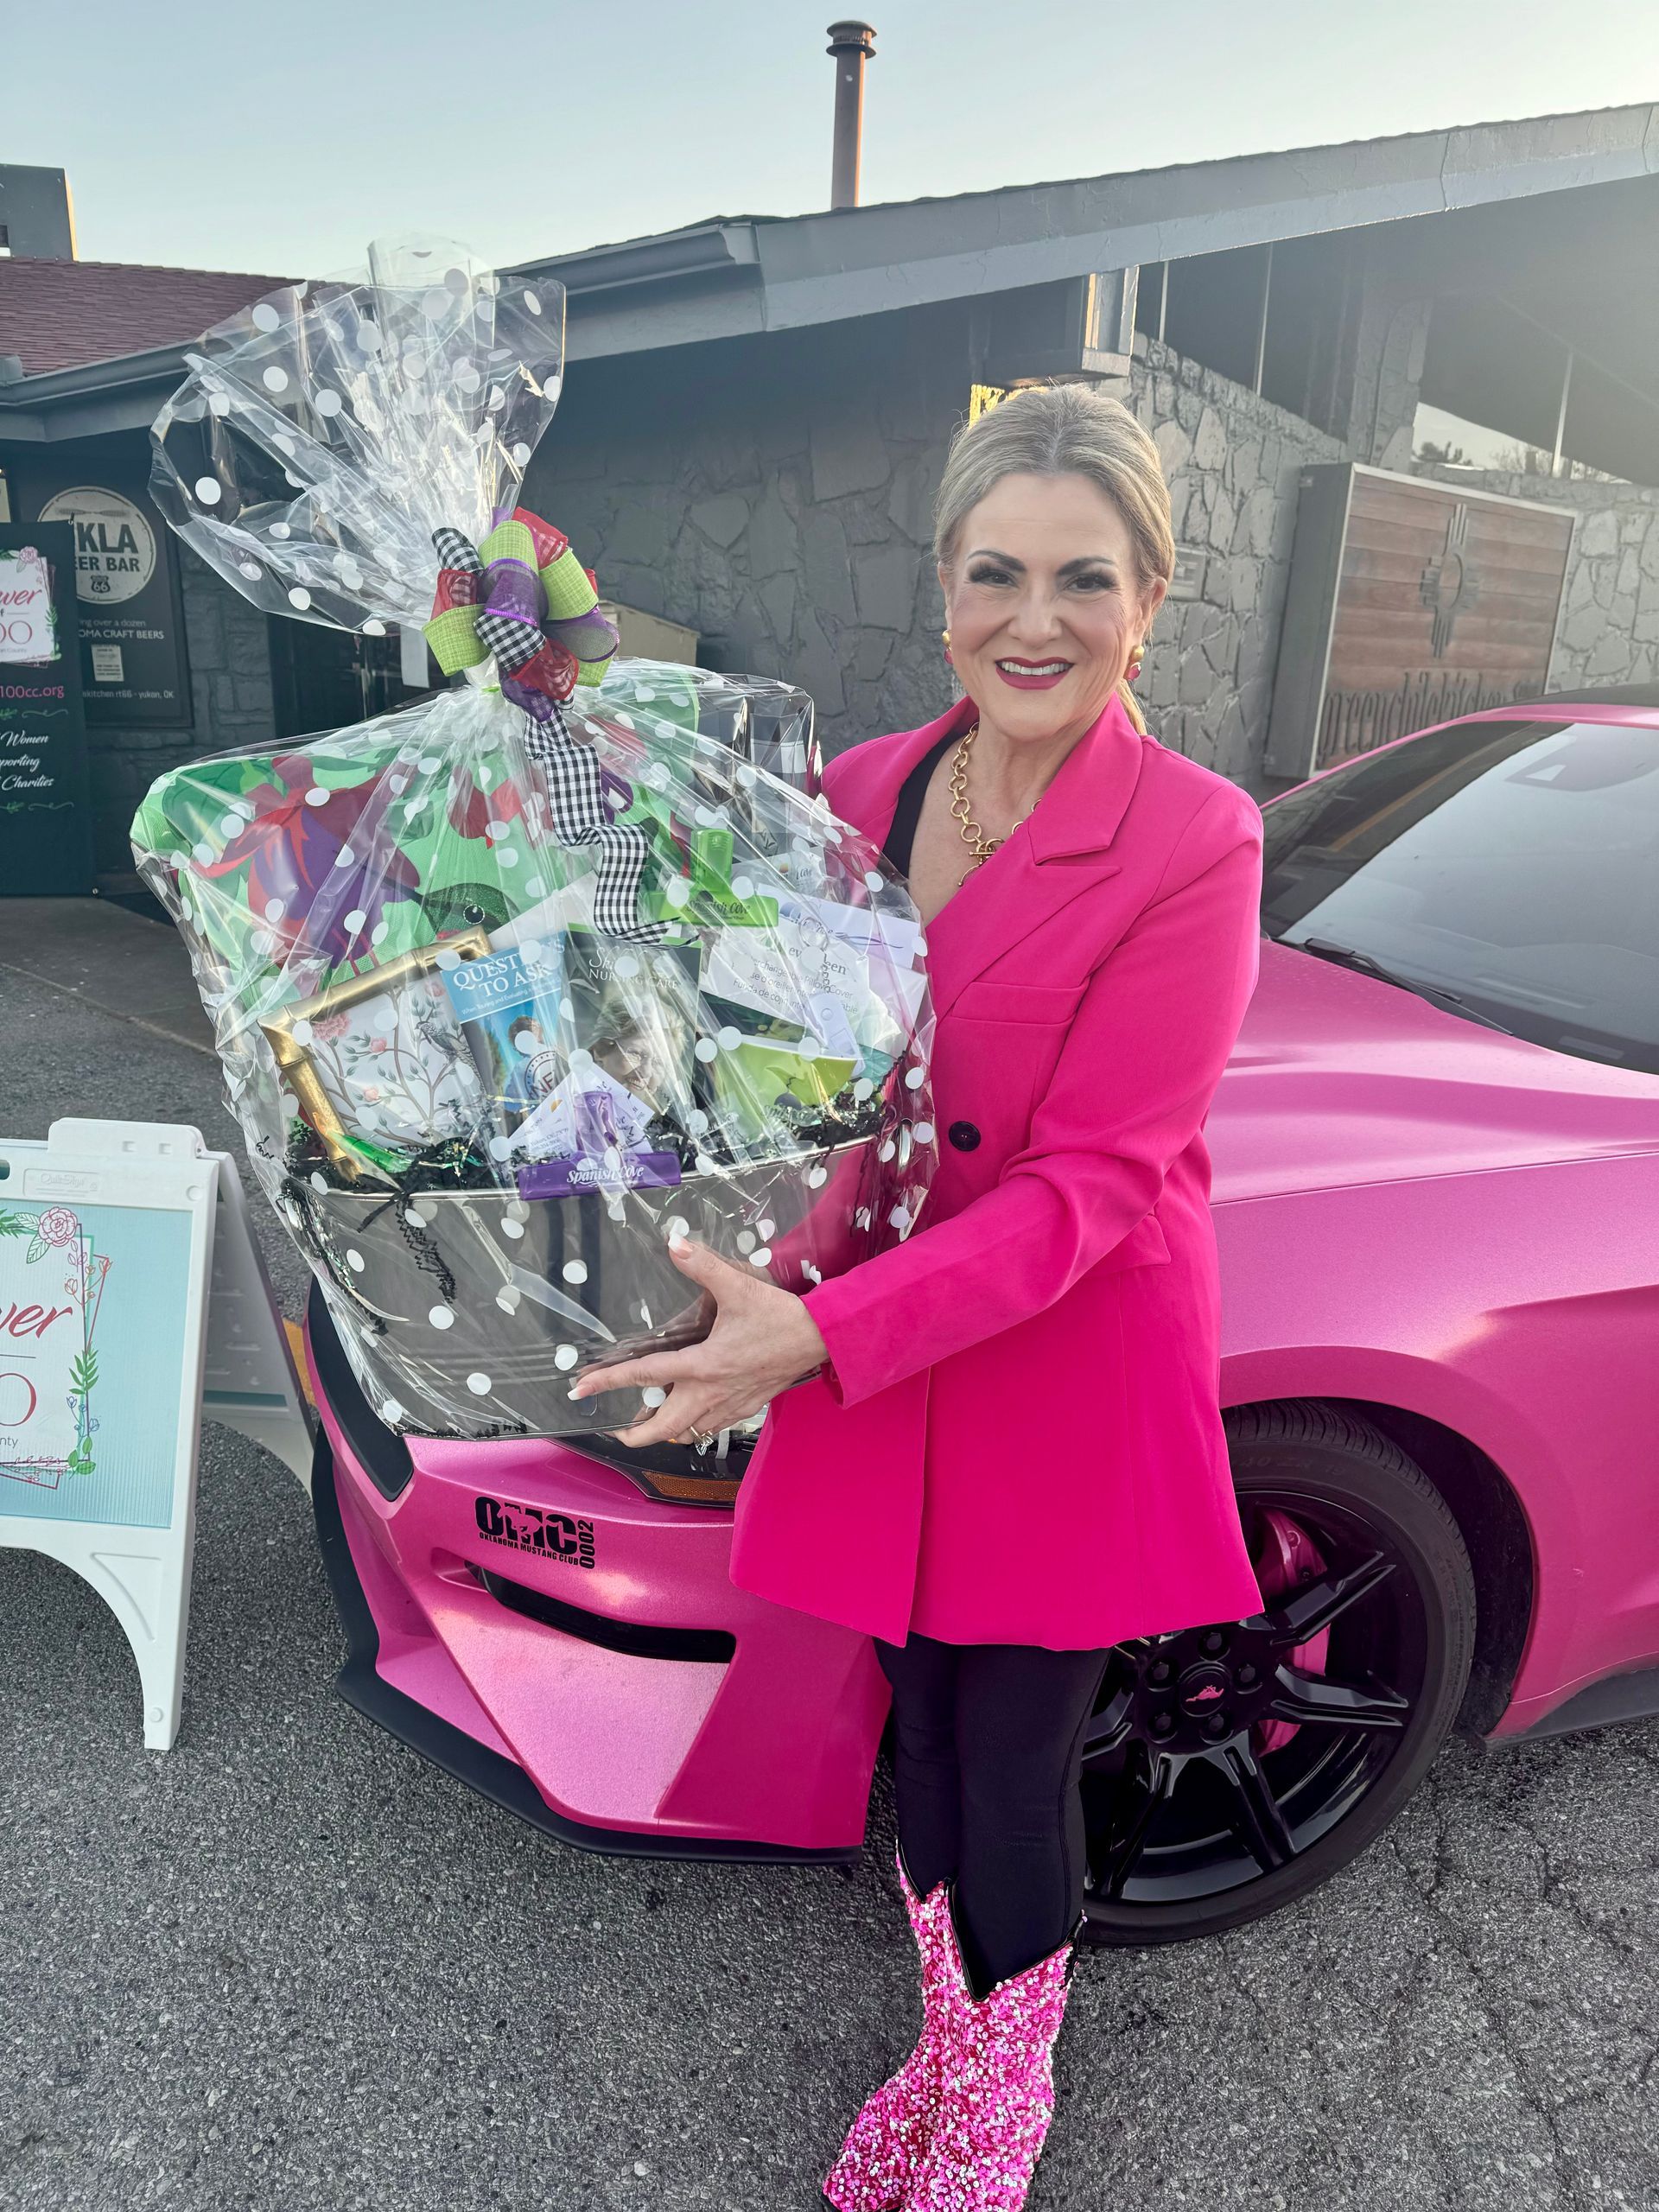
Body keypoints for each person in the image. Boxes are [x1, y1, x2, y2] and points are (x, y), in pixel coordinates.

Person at [570, 383, 1265, 2211]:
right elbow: (728, 1003)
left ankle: (1001, 2098)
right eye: (997, 572)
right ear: (941, 584)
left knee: (1016, 1744)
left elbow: (1102, 1179)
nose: (1035, 620)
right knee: (921, 1720)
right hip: (871, 1338)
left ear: (1150, 598)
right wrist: (546, 734)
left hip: (1050, 1352)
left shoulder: (1198, 838)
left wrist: (812, 1335)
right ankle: (950, 2031)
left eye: (1084, 579)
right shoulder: (866, 783)